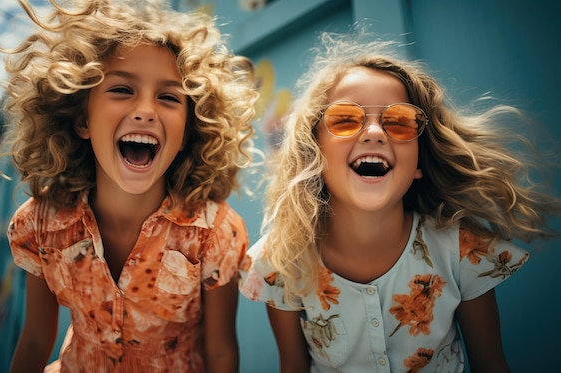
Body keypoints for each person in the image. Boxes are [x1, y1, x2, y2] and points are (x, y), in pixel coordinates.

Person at [239, 32, 561, 373]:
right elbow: (292, 367)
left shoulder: (462, 249)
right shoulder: (281, 262)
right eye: (345, 119)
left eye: (399, 122)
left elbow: (491, 364)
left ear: (420, 162)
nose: (375, 132)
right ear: (312, 151)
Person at [0, 0, 258, 371]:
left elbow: (221, 353)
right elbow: (37, 338)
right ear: (82, 120)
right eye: (121, 90)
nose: (146, 110)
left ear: (185, 134)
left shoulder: (214, 233)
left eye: (168, 97)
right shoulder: (39, 225)